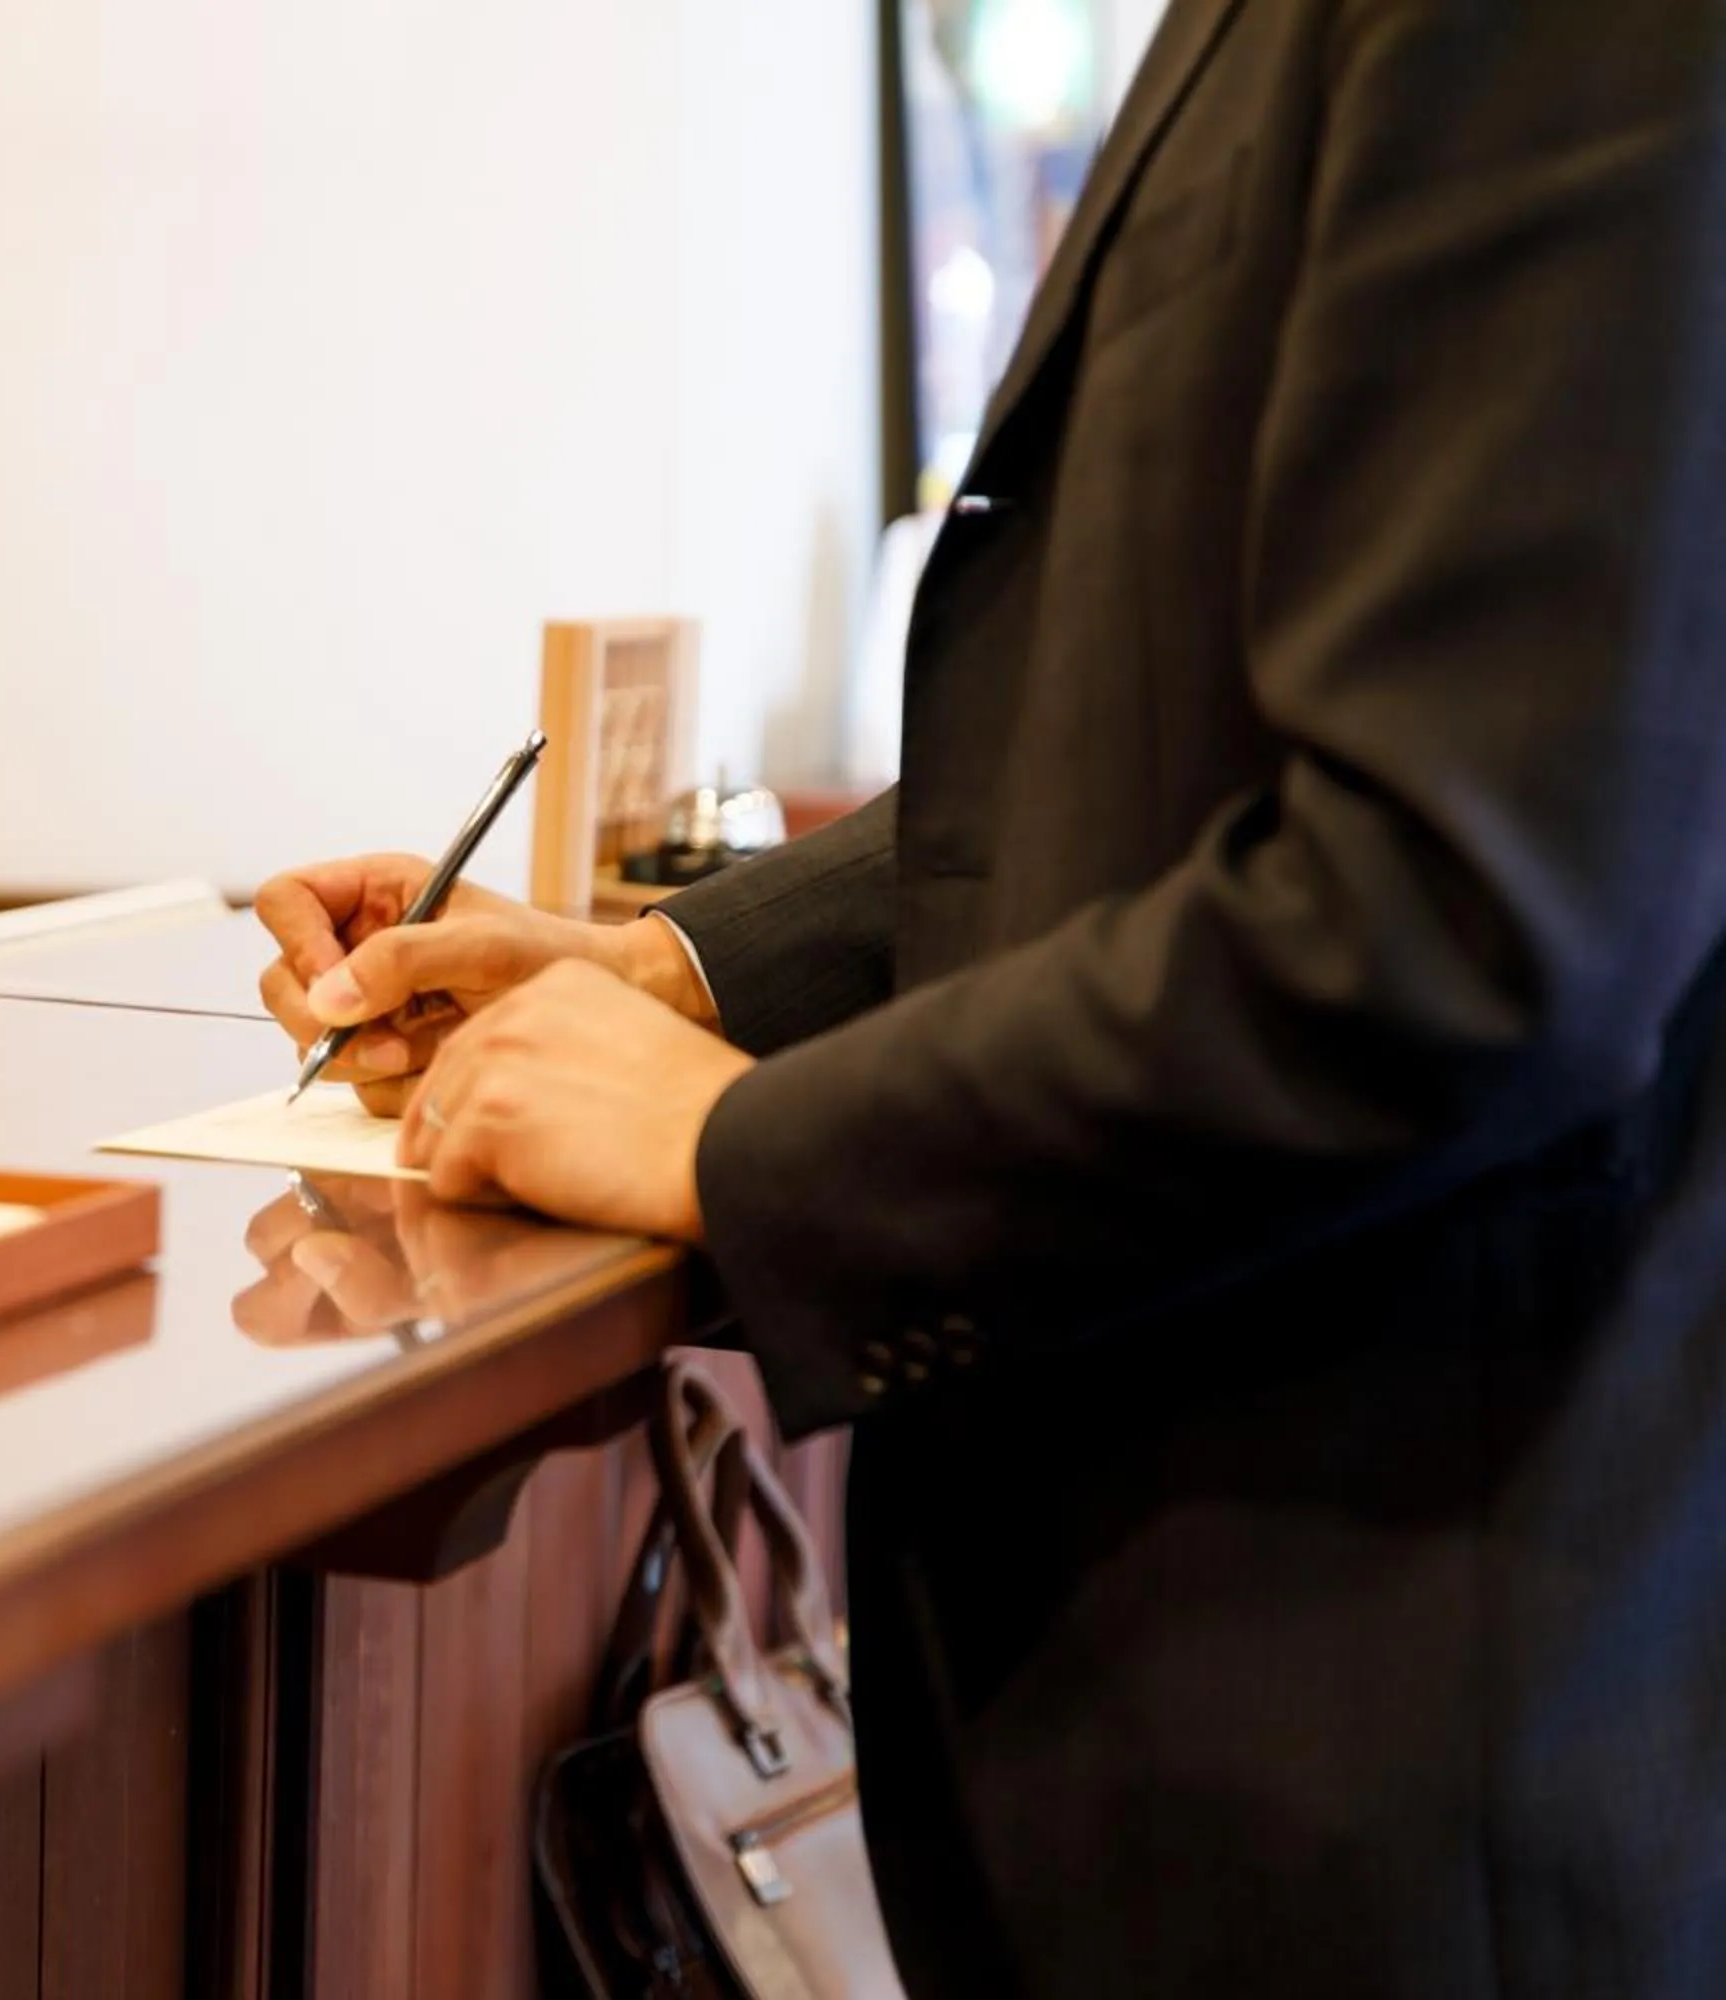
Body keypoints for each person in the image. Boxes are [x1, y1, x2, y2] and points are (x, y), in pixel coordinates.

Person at [254, 3, 1726, 1995]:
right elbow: (1163, 767)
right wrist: (667, 964)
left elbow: (1464, 911)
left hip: (1390, 1778)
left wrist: (725, 1139)